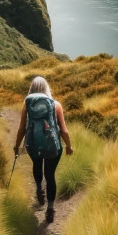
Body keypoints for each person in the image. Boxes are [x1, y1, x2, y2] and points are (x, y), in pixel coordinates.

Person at [13, 76, 73, 223]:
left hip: (33, 144)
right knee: (50, 175)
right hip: (52, 146)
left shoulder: (27, 105)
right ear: (47, 88)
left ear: (31, 89)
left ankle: (39, 188)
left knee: (37, 164)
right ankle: (50, 209)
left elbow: (22, 129)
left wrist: (17, 146)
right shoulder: (56, 105)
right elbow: (64, 131)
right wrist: (68, 146)